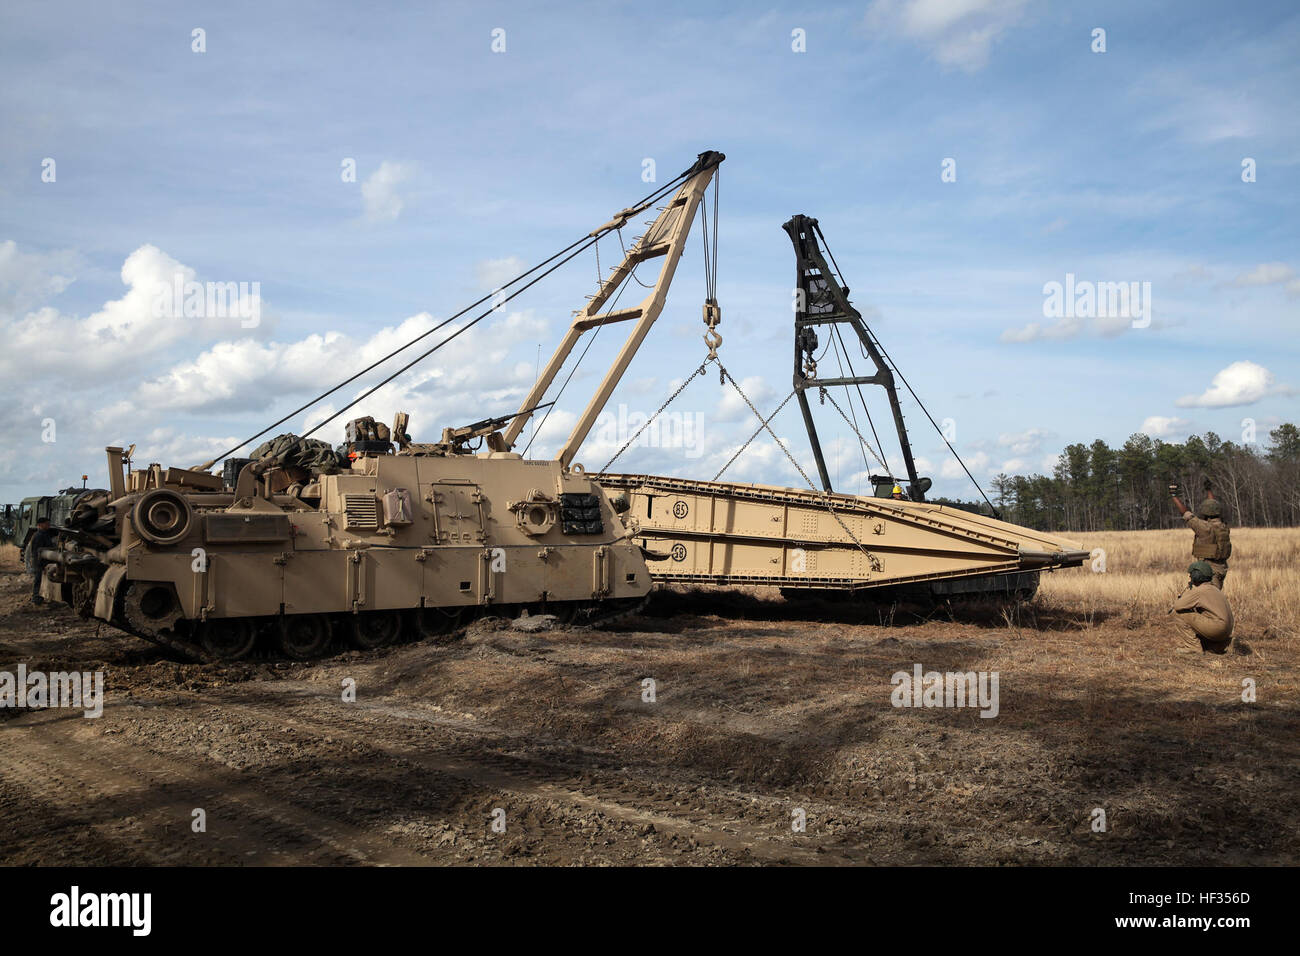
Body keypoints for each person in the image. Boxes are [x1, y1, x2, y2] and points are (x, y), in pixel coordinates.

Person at [1170, 482, 1231, 588]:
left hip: (1209, 571)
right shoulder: (1223, 526)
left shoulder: (1204, 528)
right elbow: (1212, 507)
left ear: (1205, 513)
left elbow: (1186, 514)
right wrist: (1209, 490)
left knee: (1209, 599)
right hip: (1222, 568)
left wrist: (1174, 496)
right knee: (1215, 596)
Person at [1169, 561, 1234, 654]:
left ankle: (1193, 647)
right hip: (1227, 630)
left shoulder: (1200, 591)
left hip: (1217, 628)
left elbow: (1177, 606)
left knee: (1177, 614)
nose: (1190, 577)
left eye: (1191, 575)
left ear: (1196, 576)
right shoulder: (1214, 588)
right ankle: (1221, 645)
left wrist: (1189, 592)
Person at [26, 516, 57, 605]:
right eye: (46, 524)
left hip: (42, 561)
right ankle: (36, 597)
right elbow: (37, 551)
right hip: (39, 561)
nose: (48, 525)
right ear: (40, 525)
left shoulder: (45, 534)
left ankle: (40, 596)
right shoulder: (39, 535)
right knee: (38, 579)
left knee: (40, 579)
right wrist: (40, 563)